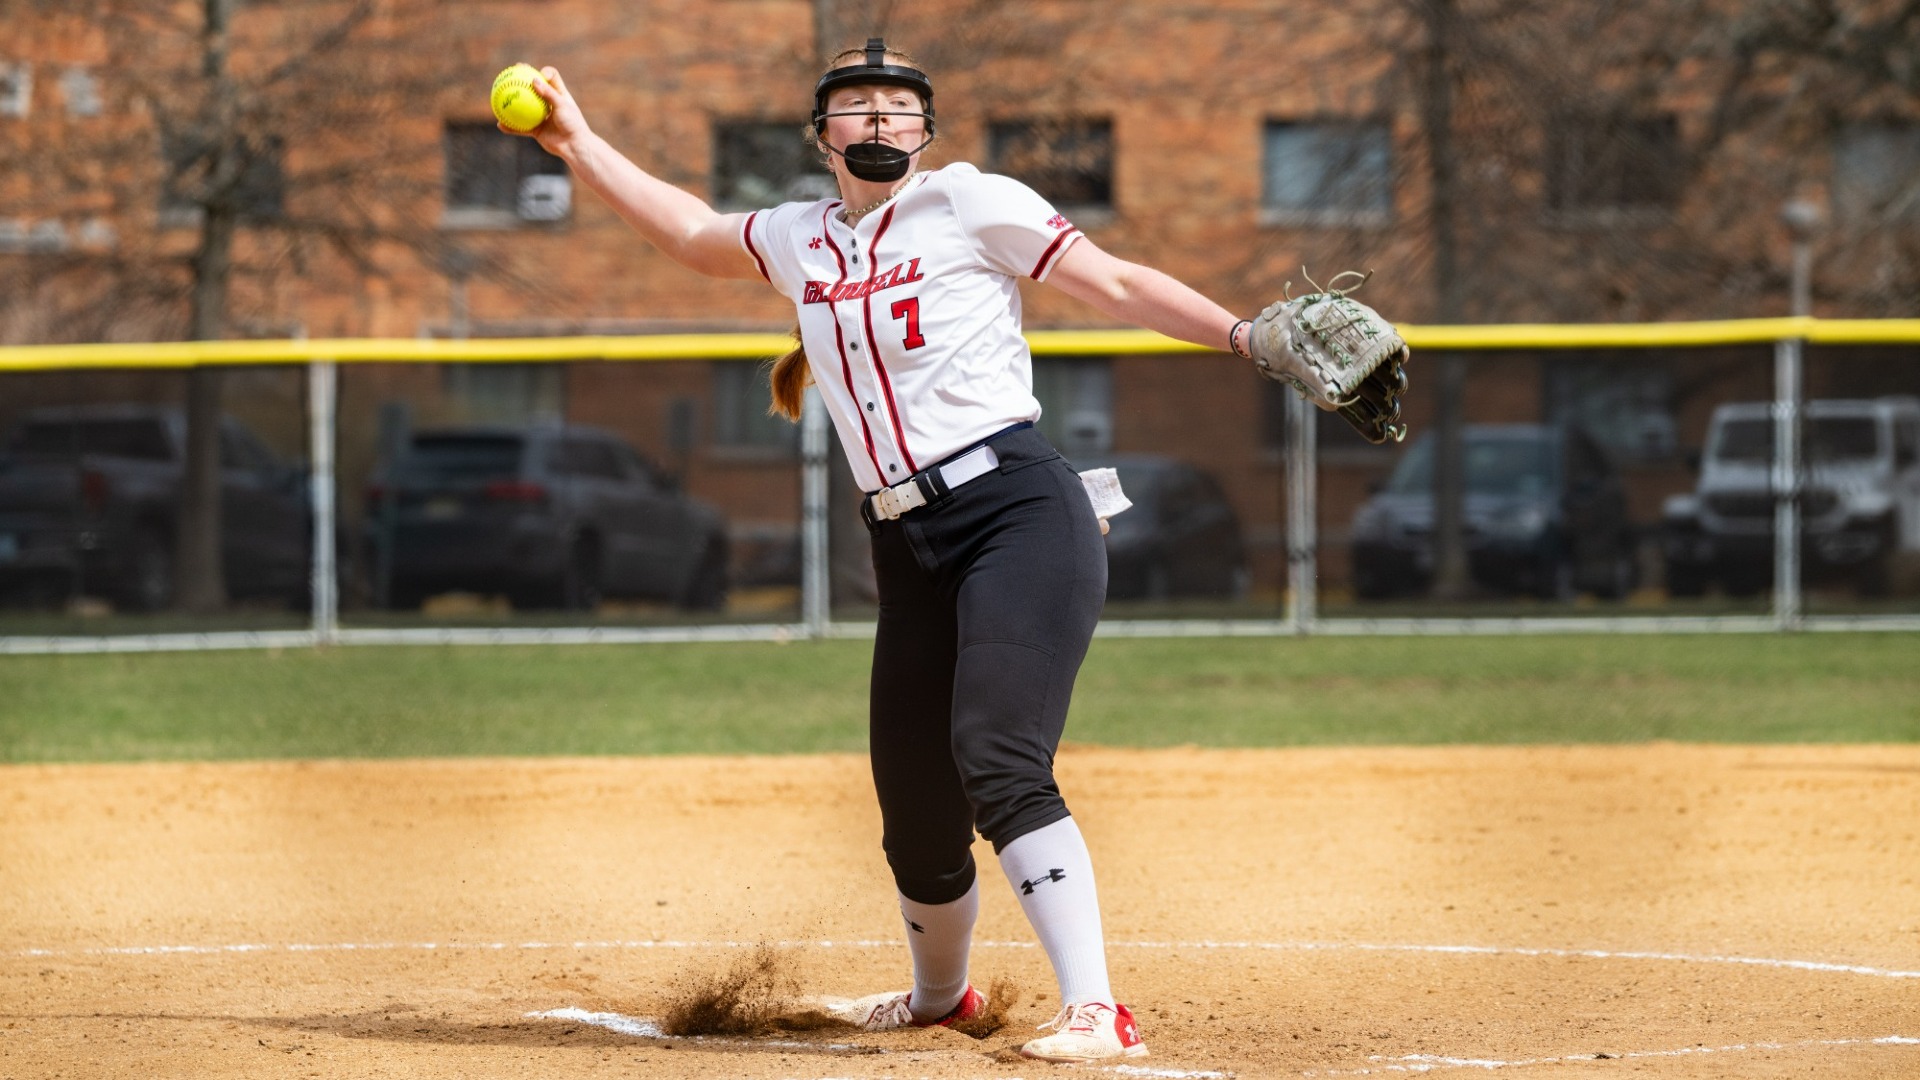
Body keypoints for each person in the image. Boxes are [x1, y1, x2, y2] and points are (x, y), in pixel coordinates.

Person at [510, 39, 1273, 1065]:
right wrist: (578, 142)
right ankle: (940, 997)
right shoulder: (800, 237)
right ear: (821, 135)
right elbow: (691, 232)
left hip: (1017, 512)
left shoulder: (972, 202)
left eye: (897, 110)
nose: (878, 125)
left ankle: (1098, 1010)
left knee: (999, 755)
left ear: (926, 129)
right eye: (855, 110)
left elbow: (1120, 282)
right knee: (914, 807)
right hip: (906, 542)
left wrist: (1244, 336)